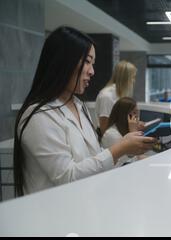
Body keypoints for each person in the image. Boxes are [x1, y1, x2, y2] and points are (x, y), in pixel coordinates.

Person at [13, 27, 155, 196]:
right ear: (63, 61)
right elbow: (68, 177)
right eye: (87, 62)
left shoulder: (79, 106)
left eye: (92, 64)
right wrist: (120, 148)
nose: (92, 71)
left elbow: (94, 158)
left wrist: (125, 150)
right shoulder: (38, 115)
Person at [101, 97, 152, 165]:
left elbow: (137, 156)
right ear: (124, 115)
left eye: (137, 113)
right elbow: (126, 162)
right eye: (134, 113)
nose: (137, 118)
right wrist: (134, 132)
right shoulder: (112, 134)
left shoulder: (125, 129)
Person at [95, 60, 137, 135]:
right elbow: (104, 128)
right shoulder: (107, 96)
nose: (133, 81)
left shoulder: (119, 94)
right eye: (132, 77)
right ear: (125, 78)